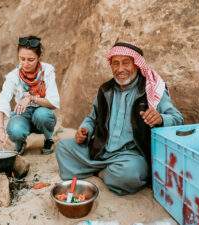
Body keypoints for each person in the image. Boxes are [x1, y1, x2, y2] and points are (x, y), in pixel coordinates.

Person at [55, 42, 183, 195]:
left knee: (129, 174)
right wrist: (85, 129)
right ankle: (105, 171)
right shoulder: (105, 90)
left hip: (130, 156)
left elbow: (177, 119)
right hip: (101, 149)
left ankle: (99, 172)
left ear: (136, 64)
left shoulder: (151, 91)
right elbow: (92, 117)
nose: (120, 69)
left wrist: (160, 118)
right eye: (115, 63)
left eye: (126, 63)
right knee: (63, 148)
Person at [0, 35, 60, 155]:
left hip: (41, 113)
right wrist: (0, 129)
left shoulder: (47, 71)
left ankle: (48, 139)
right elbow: (2, 101)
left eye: (31, 59)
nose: (26, 63)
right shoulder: (13, 76)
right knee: (14, 129)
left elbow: (53, 103)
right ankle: (20, 142)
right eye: (22, 59)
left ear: (39, 57)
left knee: (42, 115)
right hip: (23, 115)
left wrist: (30, 98)